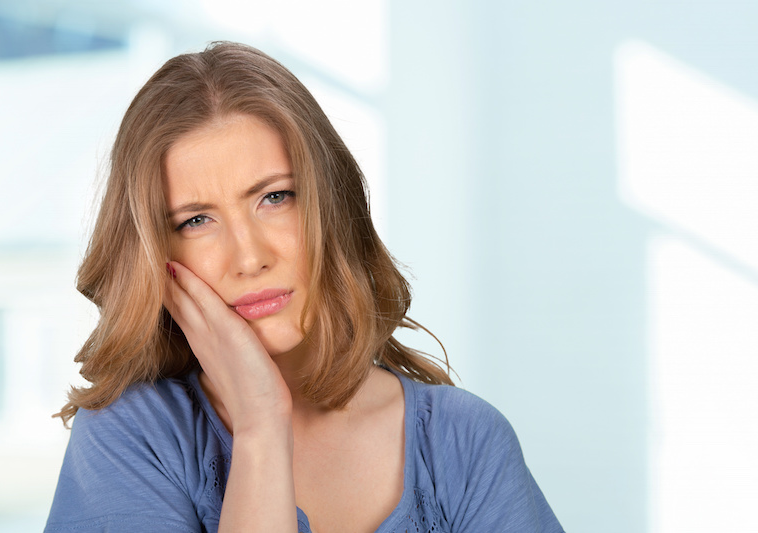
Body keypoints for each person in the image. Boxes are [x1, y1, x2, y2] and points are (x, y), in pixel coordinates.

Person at [45, 41, 563, 533]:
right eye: (196, 220)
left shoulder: (464, 440)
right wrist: (261, 428)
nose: (249, 257)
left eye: (275, 197)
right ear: (156, 254)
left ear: (331, 206)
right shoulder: (130, 436)